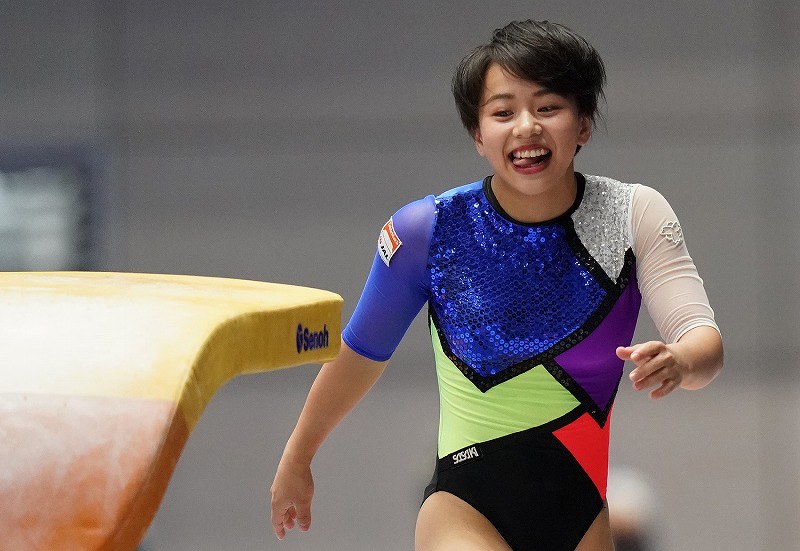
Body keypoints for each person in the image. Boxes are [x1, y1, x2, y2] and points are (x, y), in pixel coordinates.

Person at [270, 19, 723, 551]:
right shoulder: (427, 230)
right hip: (464, 506)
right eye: (503, 112)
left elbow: (703, 340)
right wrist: (297, 457)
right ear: (478, 134)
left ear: (583, 124)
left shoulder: (634, 215)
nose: (526, 127)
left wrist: (682, 360)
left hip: (582, 515)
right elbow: (360, 354)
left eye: (548, 107)